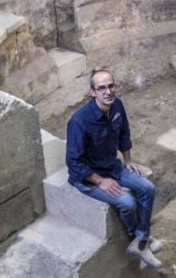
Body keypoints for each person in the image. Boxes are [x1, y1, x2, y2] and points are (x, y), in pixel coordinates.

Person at [65, 68, 163, 268]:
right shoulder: (79, 121)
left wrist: (127, 161)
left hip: (112, 167)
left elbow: (124, 133)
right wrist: (100, 181)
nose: (107, 92)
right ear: (92, 92)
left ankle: (141, 241)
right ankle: (139, 239)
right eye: (101, 88)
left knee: (147, 188)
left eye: (111, 86)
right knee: (127, 202)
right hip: (88, 178)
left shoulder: (117, 106)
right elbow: (73, 162)